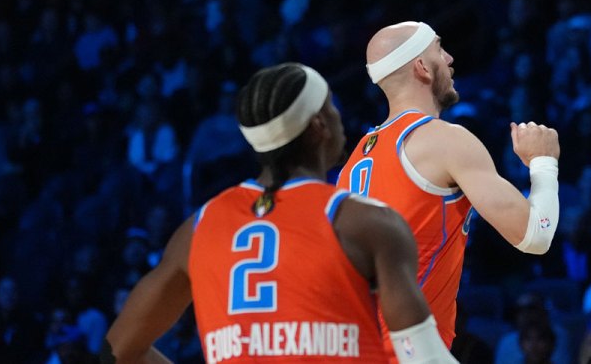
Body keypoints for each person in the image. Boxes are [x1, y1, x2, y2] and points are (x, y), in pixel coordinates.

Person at [104, 62, 457, 364]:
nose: (339, 117)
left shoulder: (199, 226)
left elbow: (115, 352)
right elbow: (424, 356)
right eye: (332, 107)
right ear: (319, 125)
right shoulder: (366, 222)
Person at [339, 21, 561, 357]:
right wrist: (544, 163)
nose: (450, 57)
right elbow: (536, 235)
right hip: (407, 349)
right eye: (439, 49)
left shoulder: (355, 159)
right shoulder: (444, 140)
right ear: (422, 67)